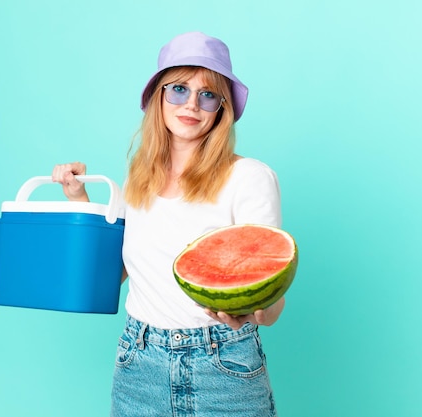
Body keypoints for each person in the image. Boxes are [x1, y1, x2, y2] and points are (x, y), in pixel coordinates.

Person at [52, 31, 285, 417]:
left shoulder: (249, 178)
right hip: (138, 362)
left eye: (208, 94)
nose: (191, 104)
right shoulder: (139, 179)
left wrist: (252, 311)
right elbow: (115, 273)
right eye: (178, 89)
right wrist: (78, 197)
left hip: (223, 365)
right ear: (158, 97)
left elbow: (272, 305)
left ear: (221, 109)